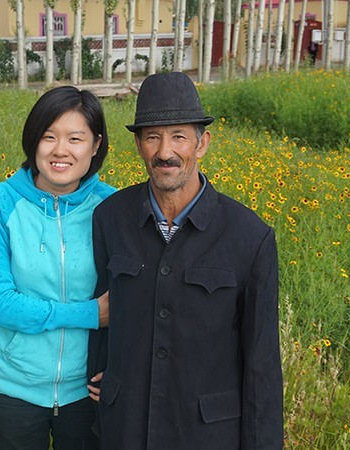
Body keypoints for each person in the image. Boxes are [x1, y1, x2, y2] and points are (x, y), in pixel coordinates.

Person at [87, 72, 283, 449]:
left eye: (178, 136)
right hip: (124, 428)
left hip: (207, 435)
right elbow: (103, 319)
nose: (165, 152)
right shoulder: (110, 218)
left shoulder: (250, 237)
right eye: (152, 137)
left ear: (202, 142)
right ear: (138, 144)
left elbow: (262, 366)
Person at [0, 86, 115, 450]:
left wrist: (121, 365)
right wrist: (88, 313)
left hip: (88, 390)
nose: (60, 150)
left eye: (75, 138)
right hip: (13, 387)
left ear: (95, 145)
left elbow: (132, 300)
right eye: (48, 136)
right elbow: (0, 303)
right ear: (33, 140)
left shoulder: (114, 208)